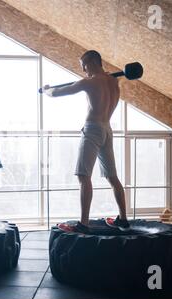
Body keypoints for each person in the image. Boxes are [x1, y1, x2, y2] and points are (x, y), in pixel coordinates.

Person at [43, 50, 129, 233]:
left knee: (84, 176)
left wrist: (46, 90)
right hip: (107, 129)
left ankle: (83, 224)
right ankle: (123, 219)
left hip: (92, 129)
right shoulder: (114, 82)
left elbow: (59, 92)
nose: (83, 70)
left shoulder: (89, 82)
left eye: (83, 65)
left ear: (90, 62)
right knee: (112, 177)